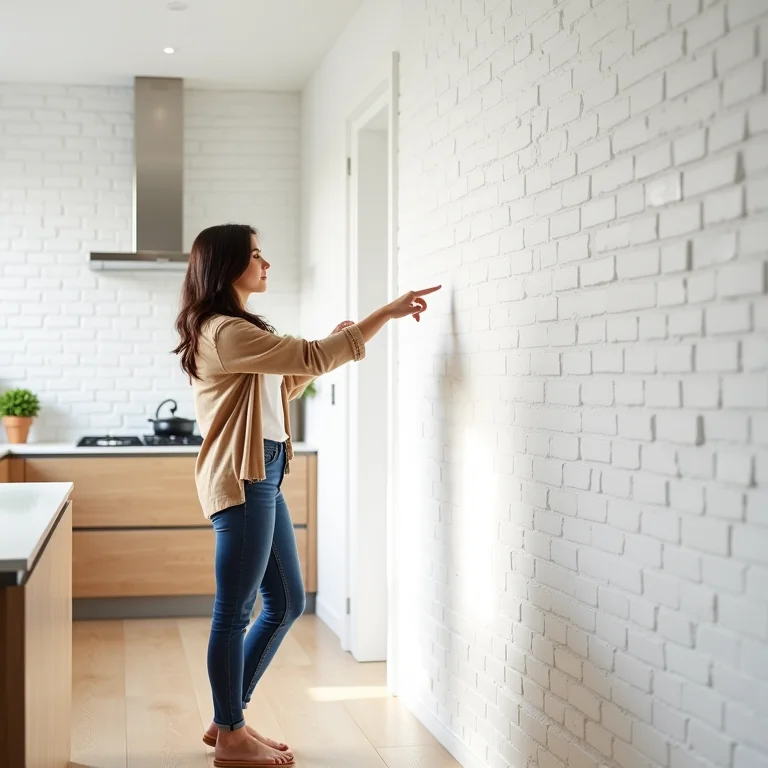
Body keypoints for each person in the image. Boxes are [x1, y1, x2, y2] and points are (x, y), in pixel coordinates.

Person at [173, 223, 440, 768]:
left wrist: (332, 345)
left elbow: (284, 381)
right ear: (228, 266)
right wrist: (383, 315)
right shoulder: (224, 330)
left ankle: (228, 719)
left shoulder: (237, 329)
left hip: (264, 471)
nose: (266, 263)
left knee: (287, 601)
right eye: (255, 255)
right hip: (245, 477)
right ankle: (230, 733)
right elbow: (313, 358)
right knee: (236, 609)